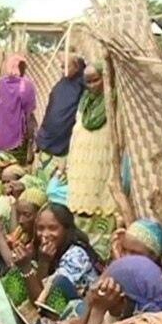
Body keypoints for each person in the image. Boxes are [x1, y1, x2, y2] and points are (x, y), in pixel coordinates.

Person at [65, 62, 118, 261]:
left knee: (100, 213)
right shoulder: (85, 102)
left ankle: (99, 259)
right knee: (80, 215)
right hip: (80, 170)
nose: (92, 86)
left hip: (101, 168)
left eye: (96, 80)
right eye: (87, 82)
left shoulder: (112, 103)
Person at [33, 56, 86, 182]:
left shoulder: (81, 86)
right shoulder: (60, 85)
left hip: (65, 136)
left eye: (67, 66)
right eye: (62, 67)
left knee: (58, 172)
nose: (63, 70)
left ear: (77, 68)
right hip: (48, 133)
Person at [0, 55, 36, 165]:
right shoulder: (26, 84)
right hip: (19, 133)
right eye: (23, 66)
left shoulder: (1, 83)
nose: (25, 69)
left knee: (2, 163)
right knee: (17, 165)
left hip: (2, 132)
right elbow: (30, 108)